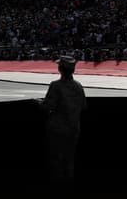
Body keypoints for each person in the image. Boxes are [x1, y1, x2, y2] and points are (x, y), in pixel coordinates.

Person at [42, 55, 87, 184]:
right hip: (73, 128)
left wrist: (39, 103)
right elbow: (83, 106)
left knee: (56, 158)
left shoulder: (56, 85)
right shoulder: (78, 86)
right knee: (69, 158)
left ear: (60, 69)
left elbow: (48, 106)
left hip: (57, 128)